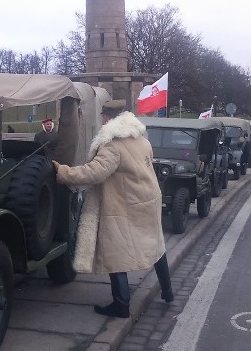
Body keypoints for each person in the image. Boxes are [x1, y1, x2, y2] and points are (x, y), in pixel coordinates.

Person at [51, 99, 173, 318]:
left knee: (116, 253)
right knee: (155, 246)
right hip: (147, 201)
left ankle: (121, 304)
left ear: (106, 118)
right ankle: (168, 291)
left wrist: (64, 172)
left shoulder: (113, 145)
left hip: (123, 206)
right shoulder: (141, 140)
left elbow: (94, 173)